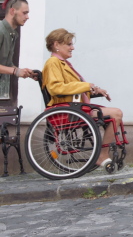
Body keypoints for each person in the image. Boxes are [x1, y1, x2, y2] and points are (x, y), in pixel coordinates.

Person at [42, 28, 123, 168]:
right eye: (68, 44)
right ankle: (102, 155)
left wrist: (94, 90)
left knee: (115, 115)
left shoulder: (63, 63)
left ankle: (104, 153)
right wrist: (86, 86)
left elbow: (73, 88)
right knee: (116, 113)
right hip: (68, 110)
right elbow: (55, 88)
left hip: (75, 107)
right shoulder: (53, 63)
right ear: (57, 45)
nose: (72, 47)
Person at [0, 0, 35, 80]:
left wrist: (24, 72)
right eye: (24, 13)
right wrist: (16, 71)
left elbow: (7, 64)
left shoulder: (12, 34)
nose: (27, 17)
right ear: (12, 11)